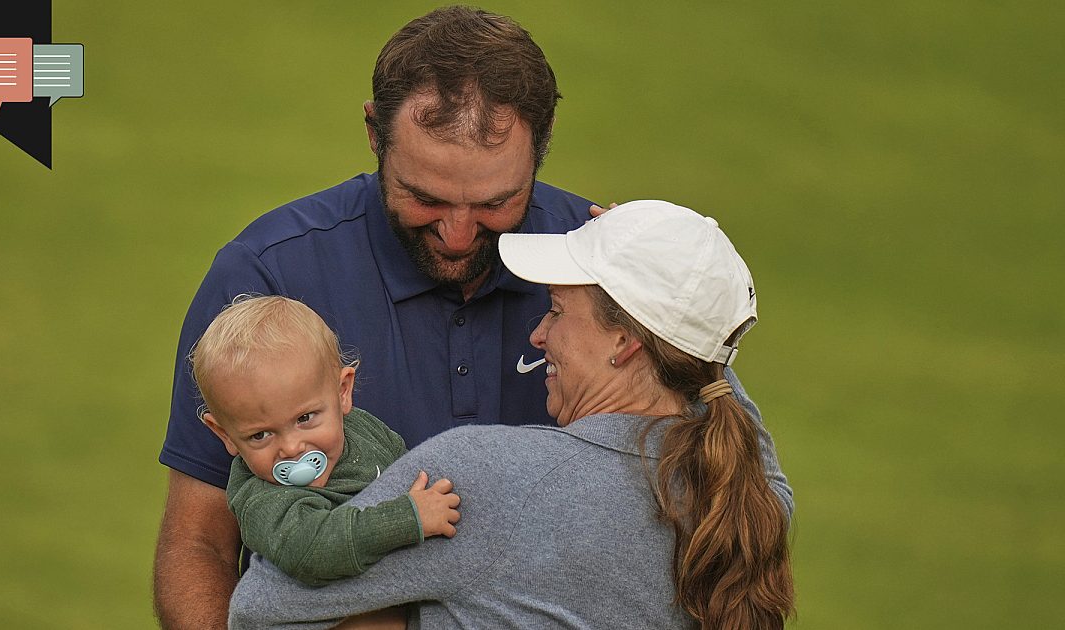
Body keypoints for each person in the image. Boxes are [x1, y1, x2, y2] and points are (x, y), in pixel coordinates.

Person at [153, 7, 782, 629]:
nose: (457, 235)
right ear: (375, 134)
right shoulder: (267, 277)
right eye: (425, 197)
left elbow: (708, 430)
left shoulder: (590, 273)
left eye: (496, 202)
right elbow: (200, 540)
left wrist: (661, 285)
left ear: (543, 143)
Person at [227, 200, 795, 629]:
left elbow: (259, 608)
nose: (538, 332)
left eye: (555, 310)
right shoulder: (747, 493)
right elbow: (709, 381)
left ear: (623, 342)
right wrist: (686, 304)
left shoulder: (478, 478)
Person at [190, 295, 461, 587]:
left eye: (305, 418)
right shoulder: (263, 498)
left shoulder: (364, 430)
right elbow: (311, 551)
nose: (292, 448)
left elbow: (410, 469)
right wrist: (407, 518)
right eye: (260, 435)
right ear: (225, 435)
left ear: (343, 391)